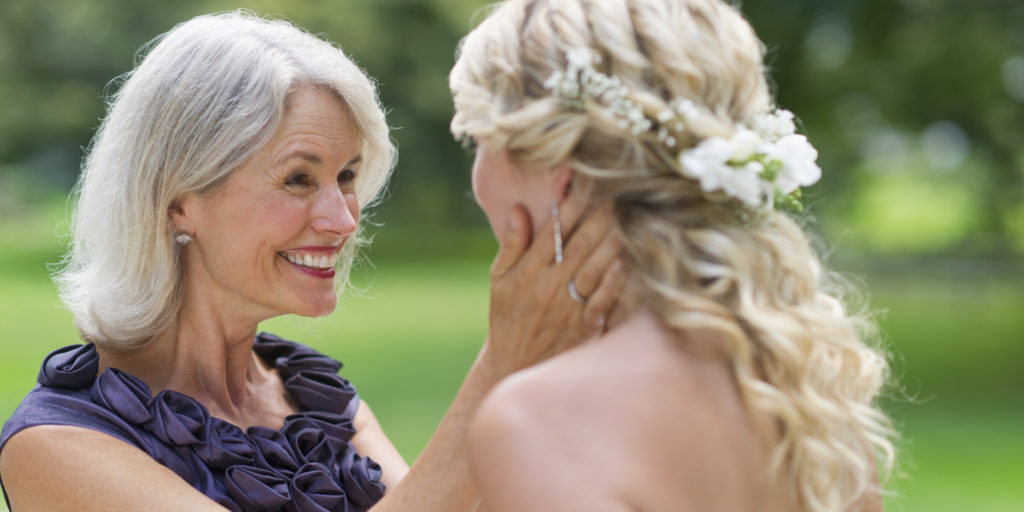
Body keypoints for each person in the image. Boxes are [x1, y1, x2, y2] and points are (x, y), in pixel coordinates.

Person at [0, 11, 624, 512]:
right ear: (178, 201)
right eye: (299, 179)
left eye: (347, 176)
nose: (344, 218)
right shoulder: (58, 444)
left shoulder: (311, 396)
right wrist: (503, 362)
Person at [449, 0, 897, 511]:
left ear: (562, 177)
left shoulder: (536, 423)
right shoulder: (808, 396)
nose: (478, 180)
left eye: (478, 140)